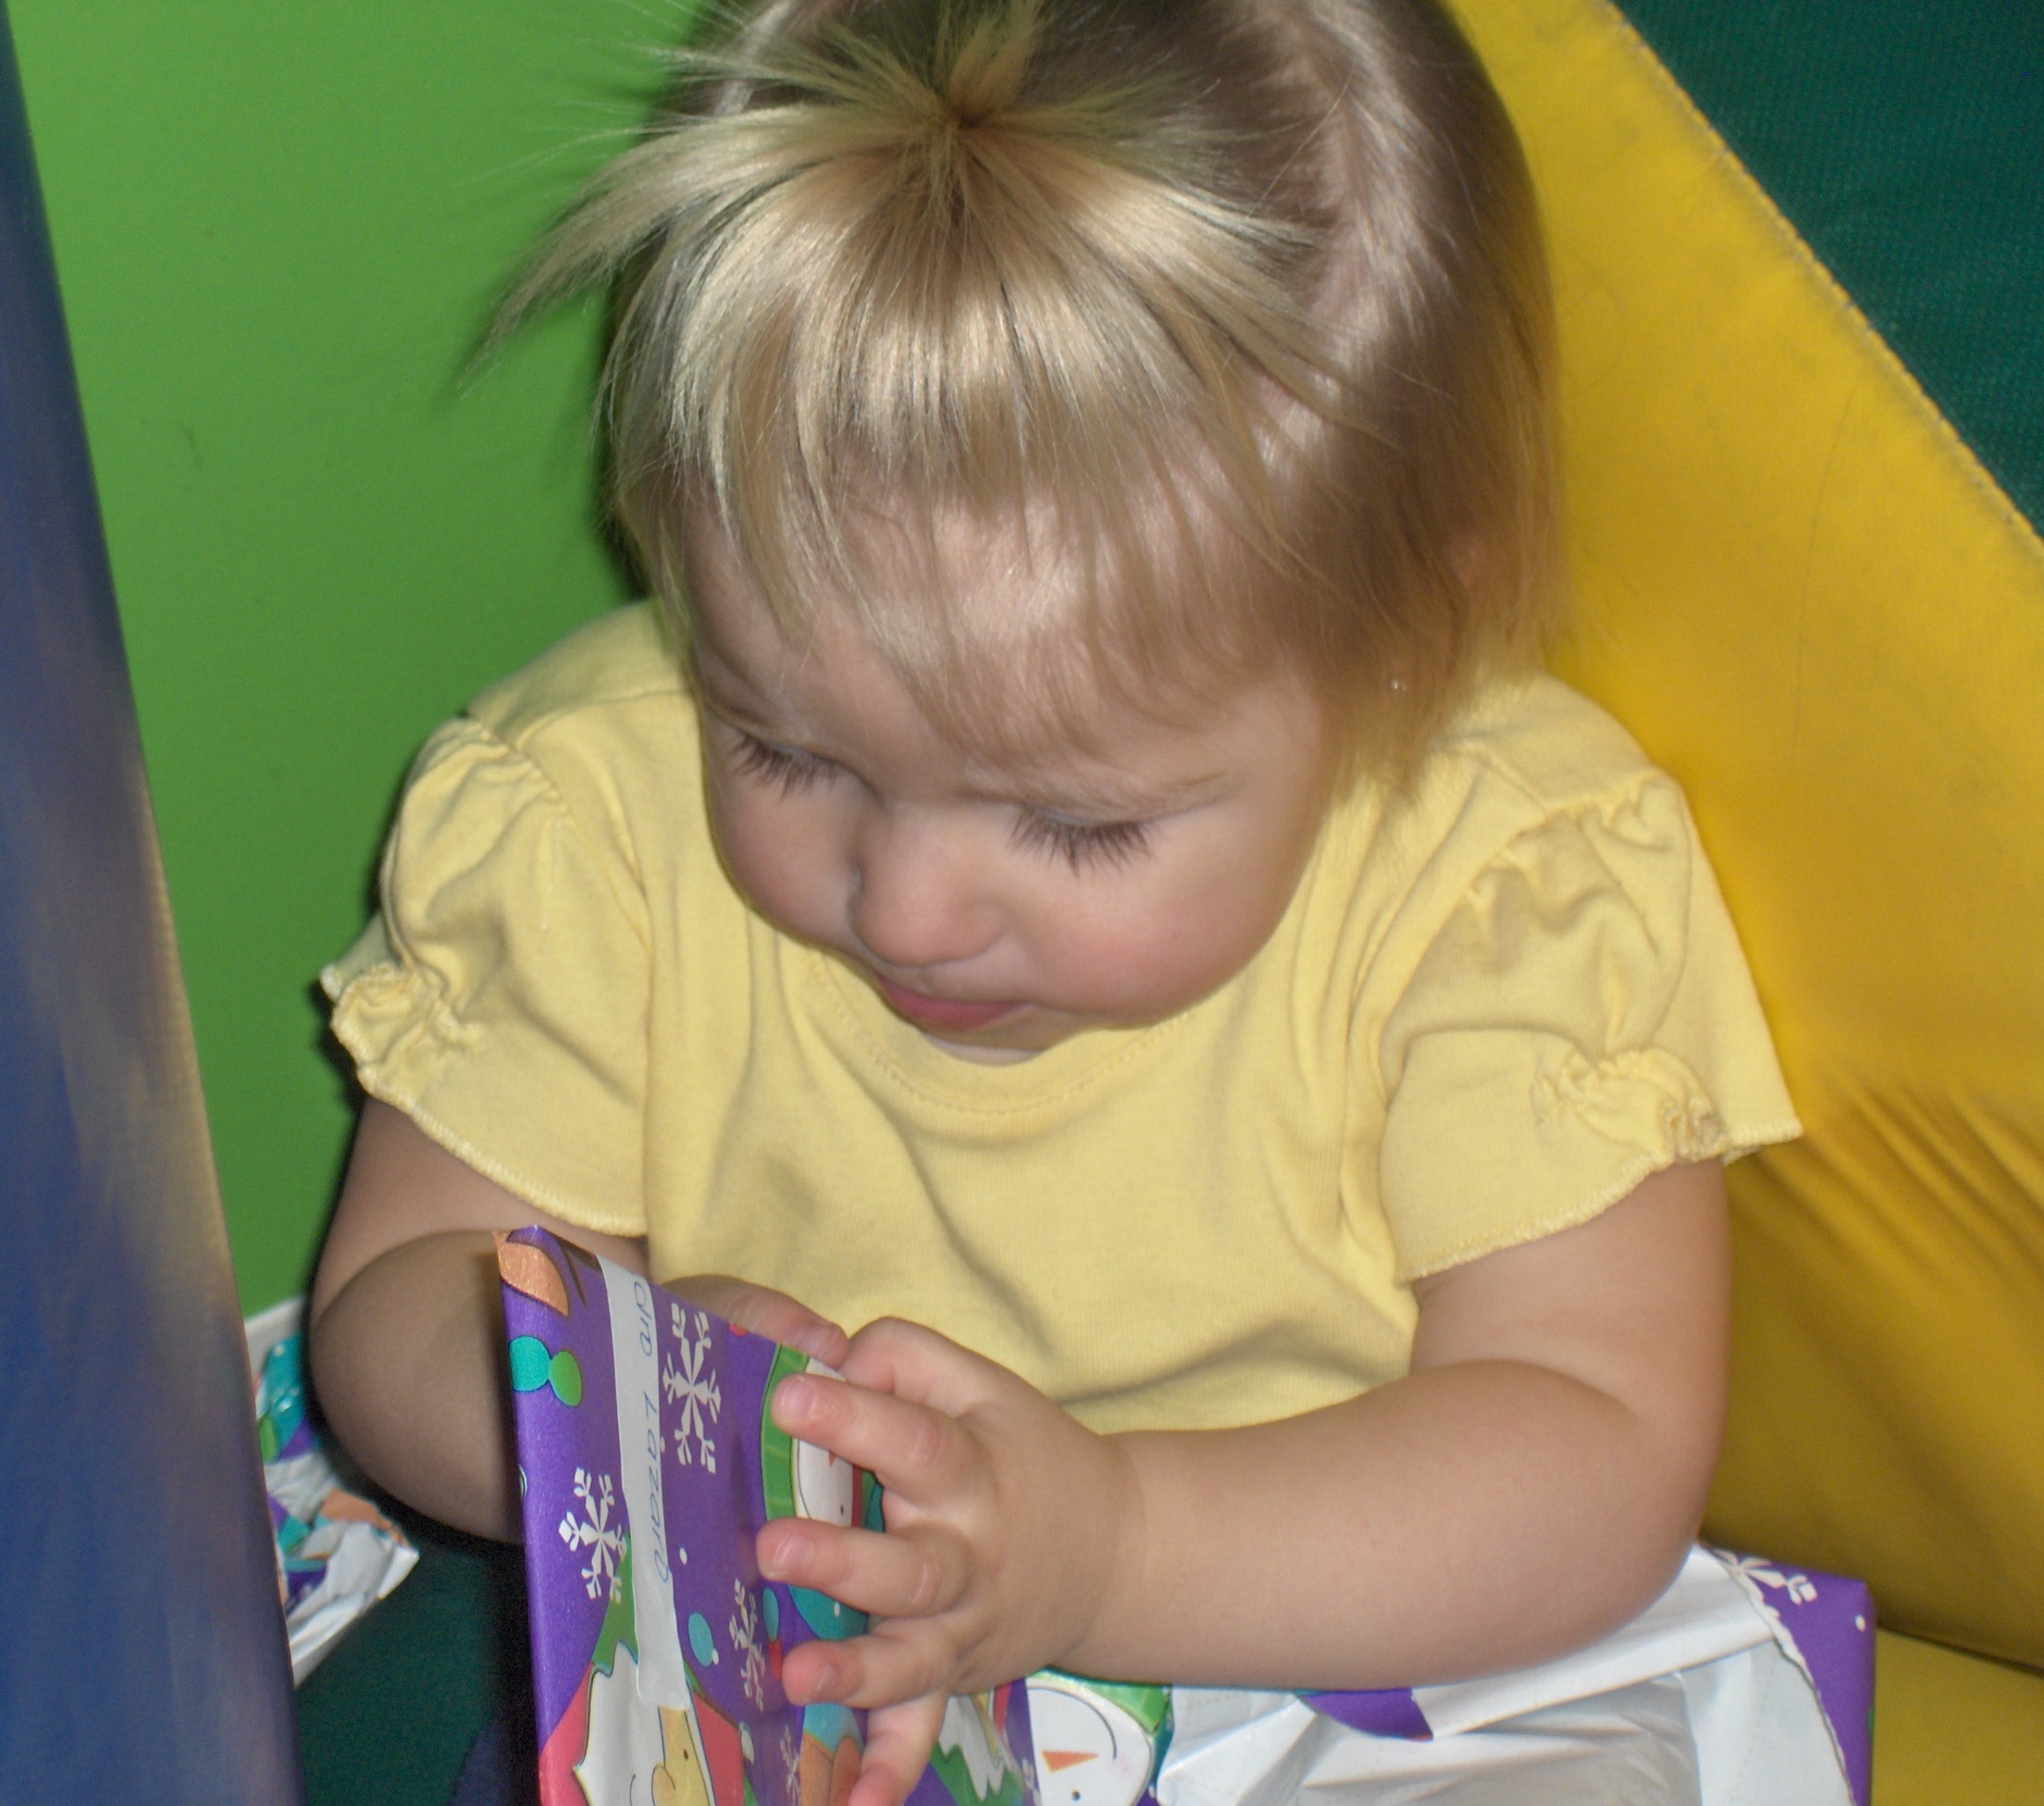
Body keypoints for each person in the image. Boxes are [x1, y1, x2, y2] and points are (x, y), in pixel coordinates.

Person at [308, 1, 1821, 1799]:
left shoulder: (1496, 878)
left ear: (1398, 643)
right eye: (783, 748)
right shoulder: (593, 820)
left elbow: (1596, 1454)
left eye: (1077, 824)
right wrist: (623, 1404)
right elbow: (390, 1301)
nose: (909, 908)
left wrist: (1111, 1548)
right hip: (810, 1667)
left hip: (1359, 1658)